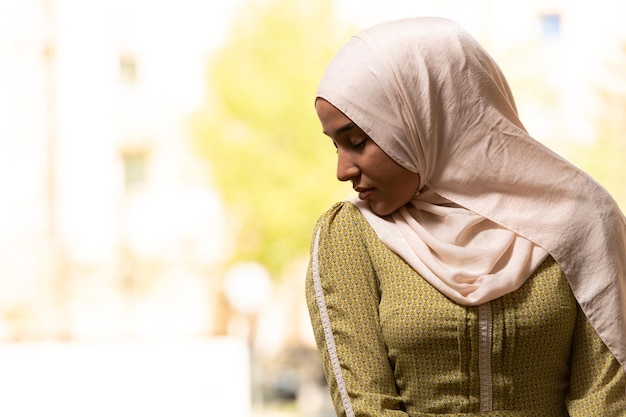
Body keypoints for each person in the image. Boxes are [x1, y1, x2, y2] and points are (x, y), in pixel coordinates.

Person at [305, 17, 626, 416]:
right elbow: (366, 405)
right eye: (335, 146)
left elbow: (604, 400)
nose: (343, 170)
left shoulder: (583, 220)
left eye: (357, 141)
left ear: (424, 118)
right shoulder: (350, 237)